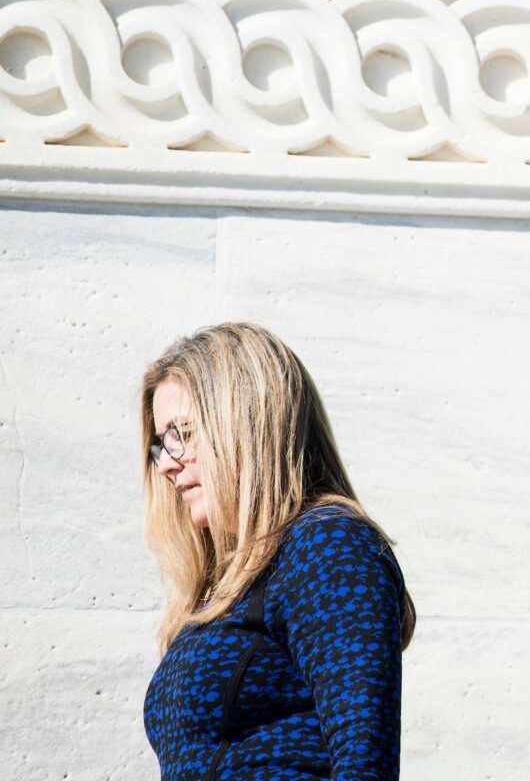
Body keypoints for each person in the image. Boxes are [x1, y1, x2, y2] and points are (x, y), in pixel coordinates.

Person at [141, 323, 414, 780]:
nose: (168, 462)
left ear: (247, 422)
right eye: (161, 443)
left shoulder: (328, 546)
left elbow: (365, 765)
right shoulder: (233, 581)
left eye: (183, 433)